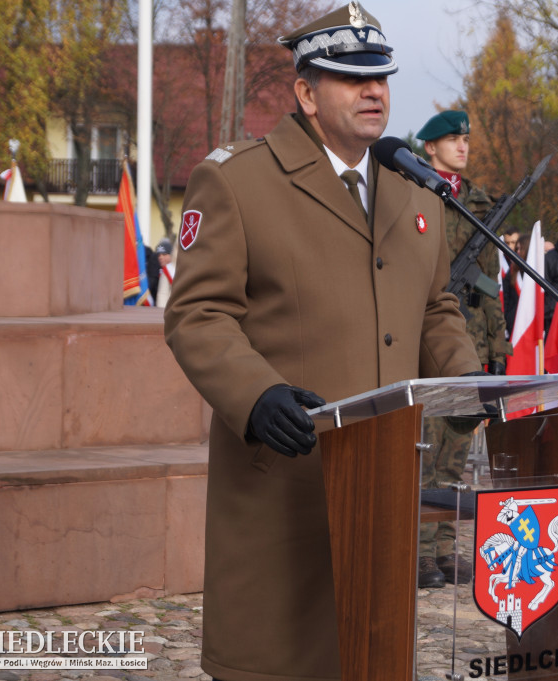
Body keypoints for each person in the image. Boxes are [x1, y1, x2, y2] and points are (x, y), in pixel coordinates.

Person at [162, 5, 482, 680]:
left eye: (381, 78)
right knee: (280, 662)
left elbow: (435, 309)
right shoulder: (239, 180)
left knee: (371, 657)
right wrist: (257, 394)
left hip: (384, 485)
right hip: (286, 485)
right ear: (306, 93)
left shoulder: (414, 193)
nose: (374, 92)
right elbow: (198, 312)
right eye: (350, 78)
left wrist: (470, 385)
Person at [414, 109, 511, 588]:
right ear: (429, 147)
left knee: (456, 453)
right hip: (429, 340)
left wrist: (498, 345)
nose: (463, 145)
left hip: (471, 341)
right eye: (453, 139)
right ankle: (420, 552)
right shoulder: (412, 191)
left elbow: (490, 286)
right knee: (426, 451)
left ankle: (448, 549)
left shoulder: (480, 201)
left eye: (465, 139)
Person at [154, 238, 175, 309]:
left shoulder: (174, 270)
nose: (160, 257)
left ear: (171, 255)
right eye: (159, 255)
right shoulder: (154, 269)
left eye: (164, 254)